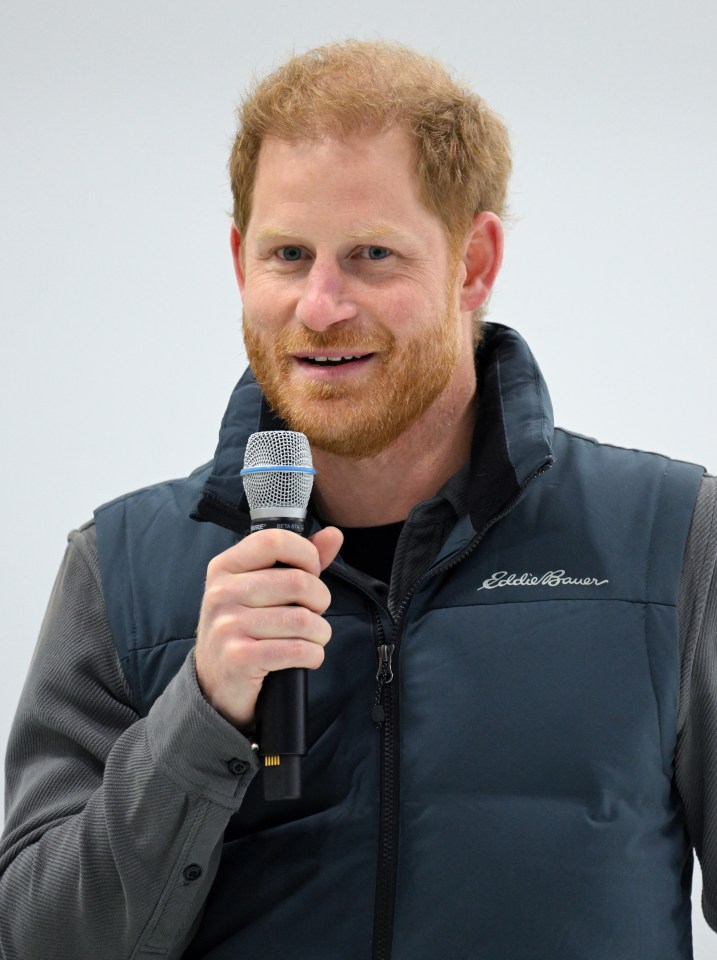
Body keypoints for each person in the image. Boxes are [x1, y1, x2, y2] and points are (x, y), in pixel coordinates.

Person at [1, 39, 716, 960]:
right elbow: (37, 942)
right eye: (288, 255)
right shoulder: (122, 571)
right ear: (238, 261)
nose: (321, 305)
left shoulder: (669, 542)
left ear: (472, 262)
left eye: (373, 254)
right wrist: (202, 718)